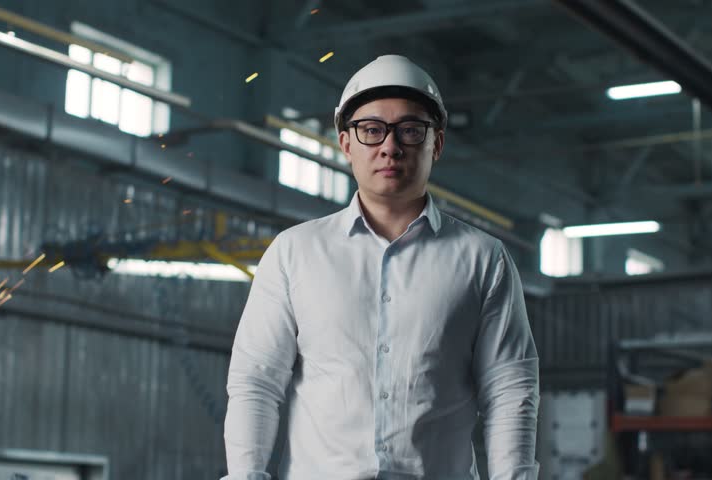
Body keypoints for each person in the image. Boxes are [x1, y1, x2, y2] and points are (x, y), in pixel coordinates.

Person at [223, 55, 539, 480]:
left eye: (410, 130)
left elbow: (509, 390)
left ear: (436, 144)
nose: (390, 146)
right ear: (346, 143)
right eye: (371, 130)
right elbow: (257, 382)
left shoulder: (483, 259)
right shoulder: (294, 252)